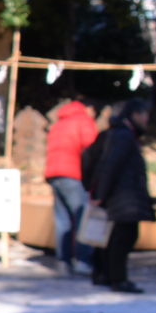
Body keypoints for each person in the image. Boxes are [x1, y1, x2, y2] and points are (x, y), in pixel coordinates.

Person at [86, 96, 154, 293]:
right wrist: (100, 192)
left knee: (111, 236)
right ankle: (117, 278)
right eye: (145, 114)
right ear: (135, 115)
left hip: (120, 194)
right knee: (121, 237)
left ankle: (104, 274)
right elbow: (110, 165)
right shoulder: (123, 136)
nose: (147, 119)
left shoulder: (116, 134)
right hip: (124, 195)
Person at [42, 89, 100, 276]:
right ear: (89, 109)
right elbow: (92, 151)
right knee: (82, 217)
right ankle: (82, 260)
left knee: (62, 220)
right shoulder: (84, 121)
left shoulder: (59, 123)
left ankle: (63, 260)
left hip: (53, 173)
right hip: (73, 174)